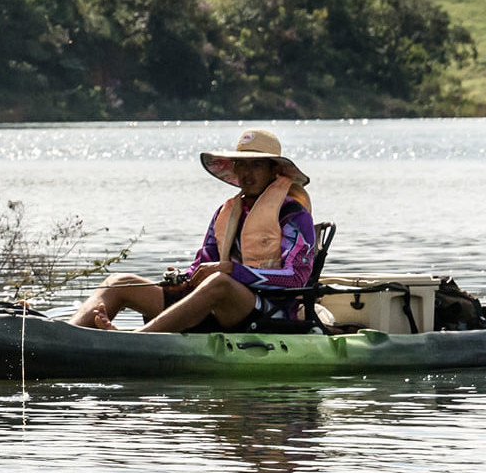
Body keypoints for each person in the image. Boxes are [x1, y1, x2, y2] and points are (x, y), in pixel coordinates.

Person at [69, 128, 317, 332]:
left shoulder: (294, 215)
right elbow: (203, 264)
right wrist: (184, 279)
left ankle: (134, 340)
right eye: (241, 165)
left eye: (256, 166)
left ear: (273, 170)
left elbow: (296, 278)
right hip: (214, 306)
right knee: (119, 282)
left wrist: (232, 271)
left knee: (220, 281)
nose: (246, 173)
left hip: (271, 311)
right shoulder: (226, 211)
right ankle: (66, 333)